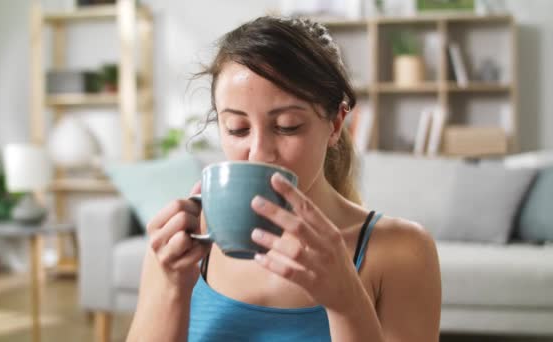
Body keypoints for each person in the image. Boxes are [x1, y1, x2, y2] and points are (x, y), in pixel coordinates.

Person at [127, 16, 441, 342]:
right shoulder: (179, 246)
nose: (259, 152)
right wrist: (172, 288)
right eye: (238, 128)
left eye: (288, 125)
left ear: (335, 124)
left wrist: (347, 303)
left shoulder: (401, 252)